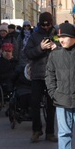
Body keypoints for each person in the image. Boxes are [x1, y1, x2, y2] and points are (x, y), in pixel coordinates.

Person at [23, 11, 58, 142]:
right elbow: (27, 53)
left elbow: (66, 49)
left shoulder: (56, 33)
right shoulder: (34, 35)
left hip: (52, 74)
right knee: (35, 103)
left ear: (51, 23)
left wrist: (57, 47)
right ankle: (36, 130)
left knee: (51, 105)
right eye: (43, 25)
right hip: (37, 74)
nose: (45, 28)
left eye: (47, 25)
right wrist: (40, 48)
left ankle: (50, 132)